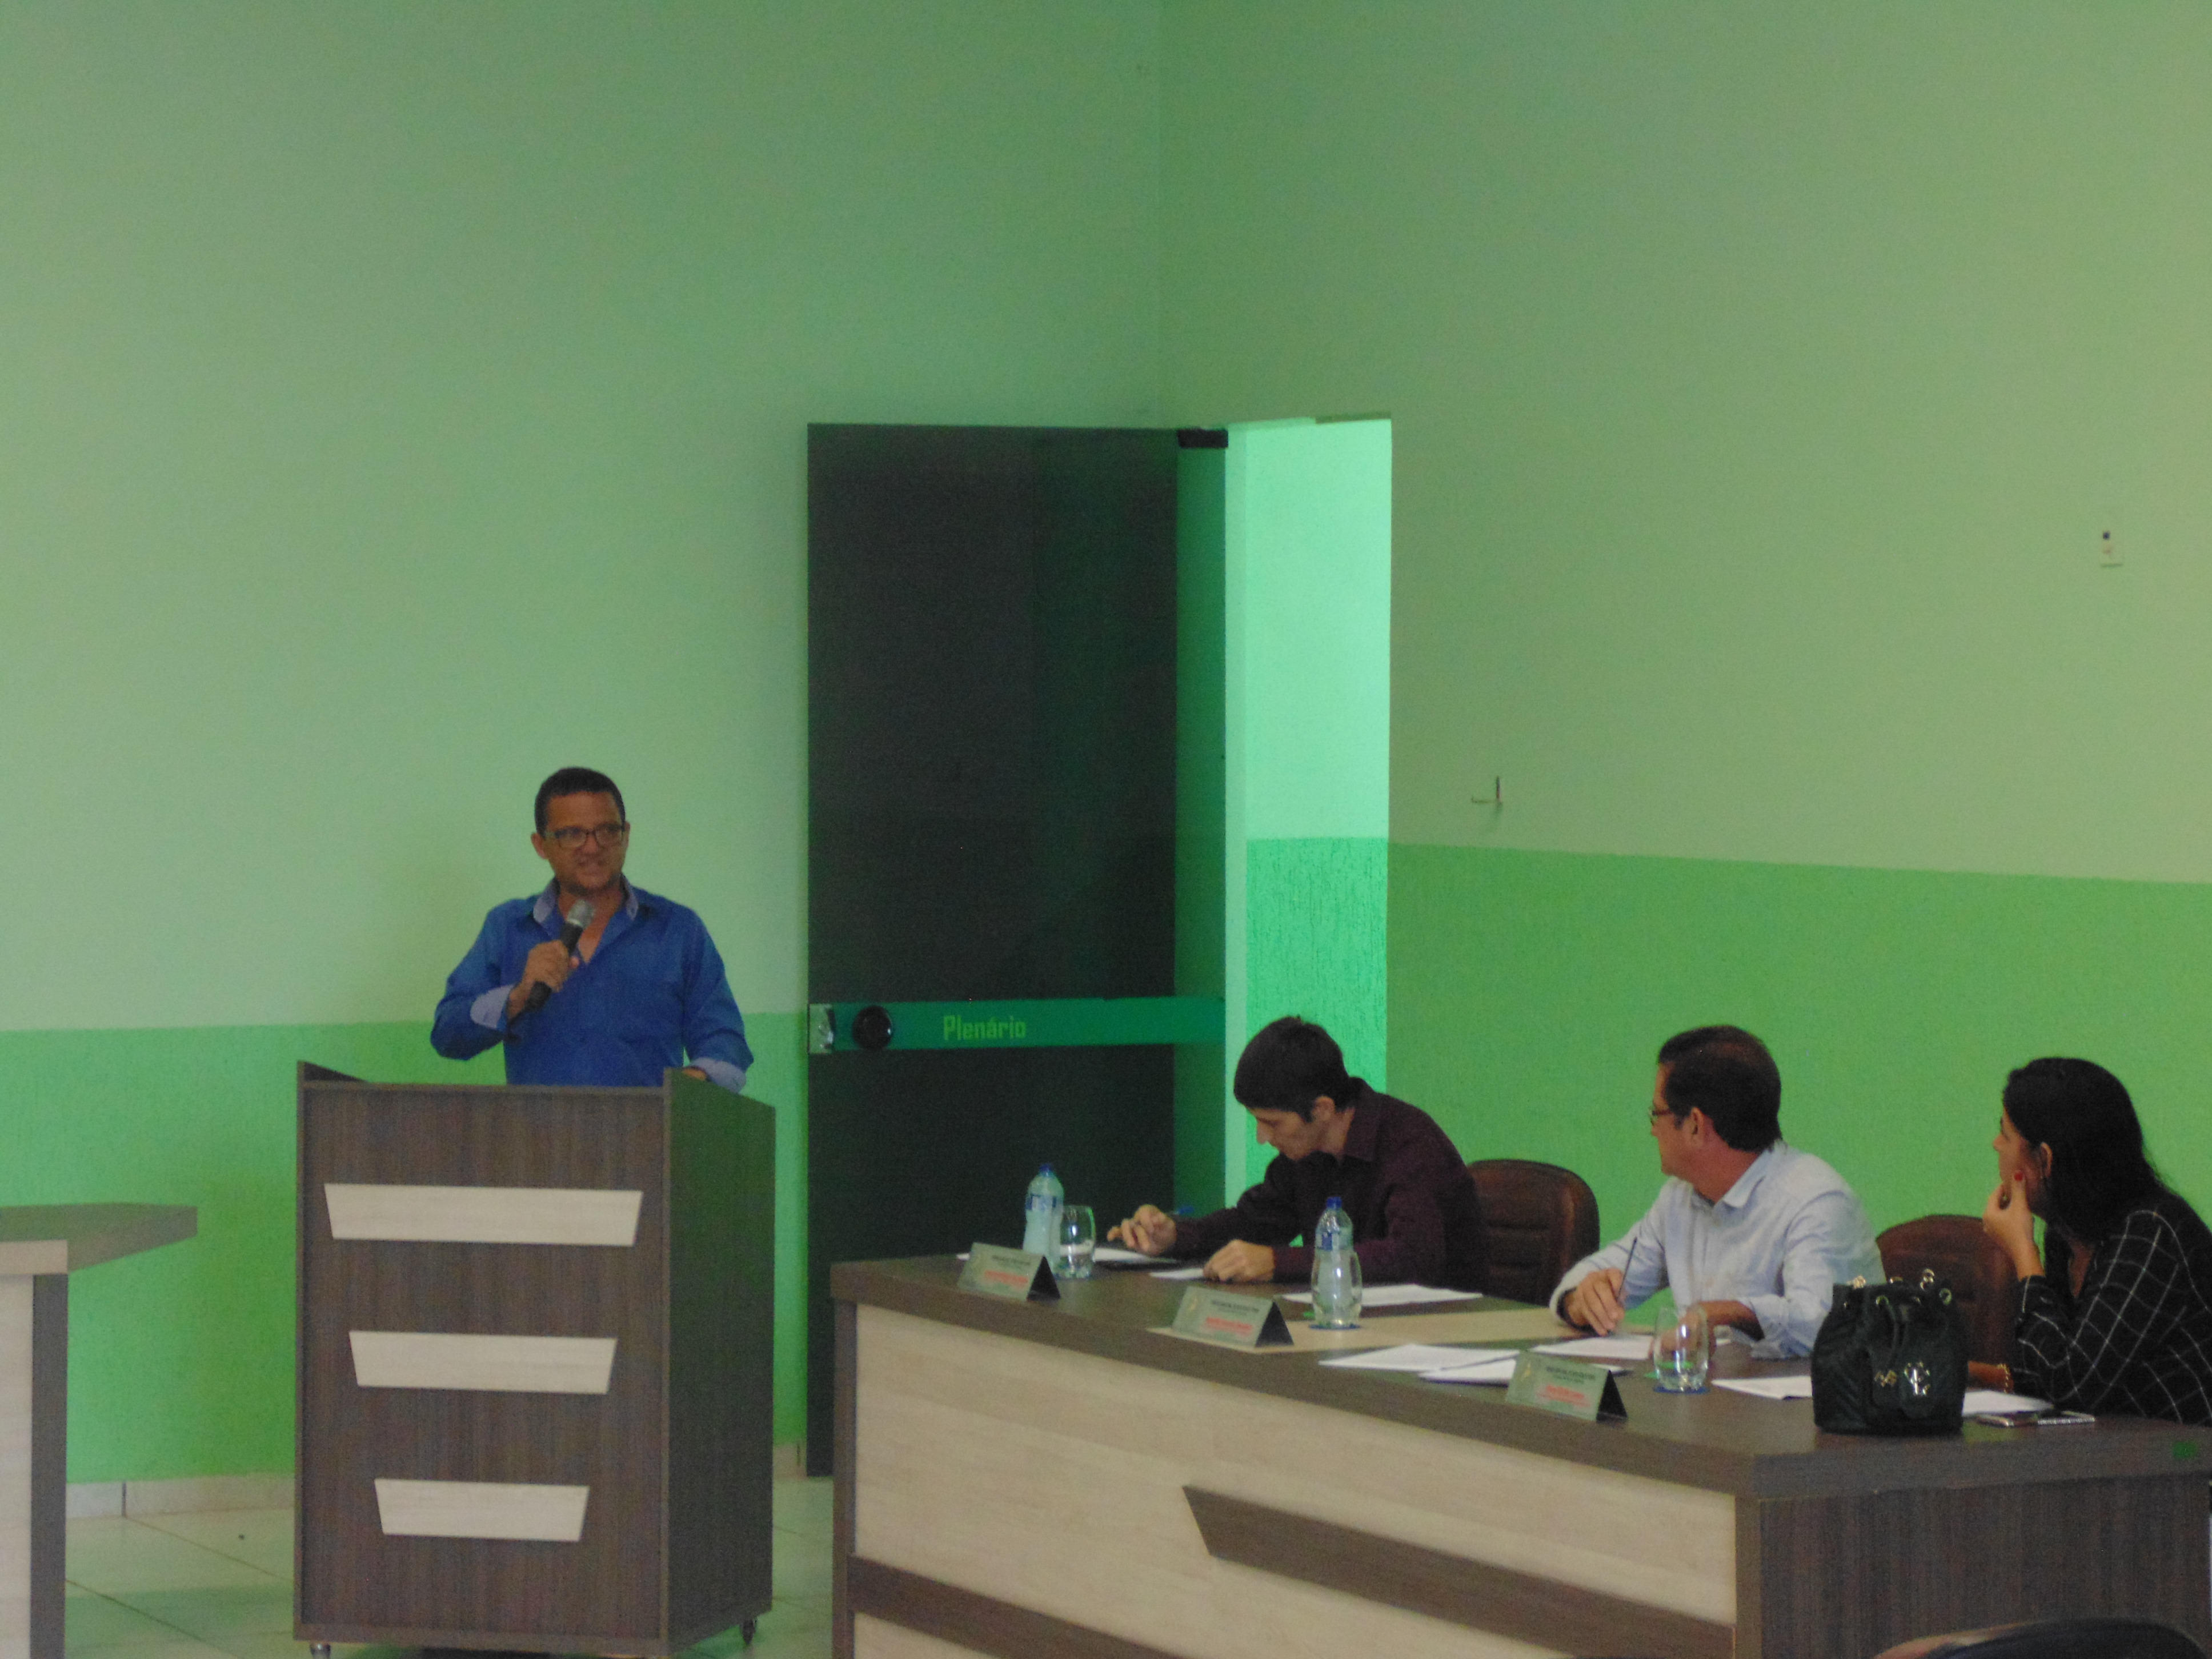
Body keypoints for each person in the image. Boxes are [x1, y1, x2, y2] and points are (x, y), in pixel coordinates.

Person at [1551, 1025, 1881, 1359]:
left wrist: (1730, 1313)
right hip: (1710, 1388)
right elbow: (1603, 1271)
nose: (1653, 1131)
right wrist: (1580, 1300)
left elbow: (1822, 1326)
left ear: (1695, 1125)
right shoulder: (1679, 1198)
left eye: (1656, 1114)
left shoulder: (1816, 1202)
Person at [432, 767, 752, 1089]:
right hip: (537, 1124)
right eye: (572, 834)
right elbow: (448, 1034)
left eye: (607, 831)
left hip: (649, 1122)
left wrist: (694, 1082)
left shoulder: (678, 931)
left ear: (626, 835)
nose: (592, 847)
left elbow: (725, 1042)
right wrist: (517, 997)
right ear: (541, 845)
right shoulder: (508, 928)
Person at [1107, 1015, 1485, 1288]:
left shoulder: (1410, 1144)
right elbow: (1254, 1222)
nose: (1262, 1137)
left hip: (1443, 1327)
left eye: (1272, 1123)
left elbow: (1413, 1258)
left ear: (1322, 1109)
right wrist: (1175, 1236)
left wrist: (1278, 1262)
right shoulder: (1305, 1156)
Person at [1975, 1057, 2212, 1424]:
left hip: (2187, 1454)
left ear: (2045, 1160)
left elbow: (2073, 1384)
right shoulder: (2067, 1236)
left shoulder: (2150, 1234)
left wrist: (2024, 1253)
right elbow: (2052, 1369)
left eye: (2005, 1135)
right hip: (2125, 1450)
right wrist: (1976, 1375)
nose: (1995, 1145)